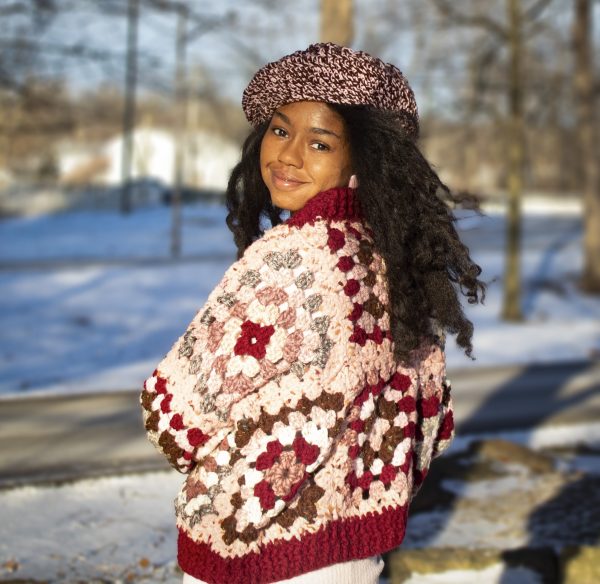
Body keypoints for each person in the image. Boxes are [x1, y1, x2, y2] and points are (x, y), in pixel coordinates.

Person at [140, 42, 486, 584]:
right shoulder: (398, 262)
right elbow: (431, 423)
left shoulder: (290, 258)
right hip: (356, 554)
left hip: (256, 556)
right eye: (280, 130)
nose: (288, 155)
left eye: (319, 142)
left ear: (362, 160)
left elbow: (173, 413)